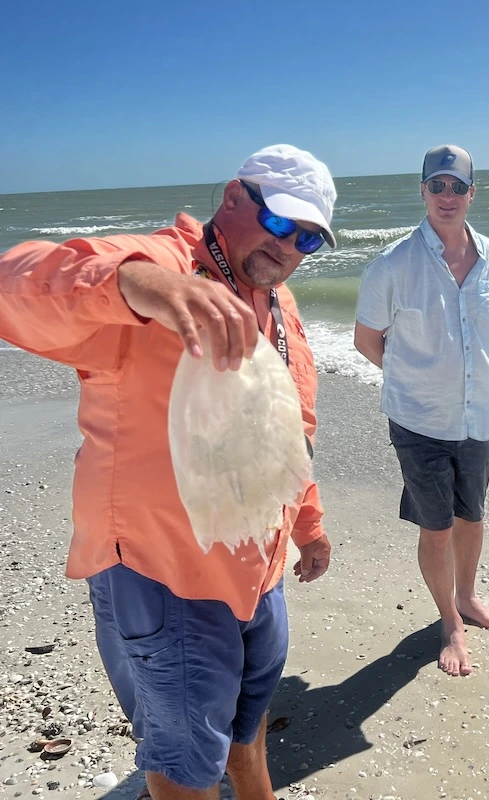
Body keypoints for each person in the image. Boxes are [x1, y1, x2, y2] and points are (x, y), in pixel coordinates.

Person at [0, 144, 337, 800]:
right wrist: (137, 286)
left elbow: (287, 435)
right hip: (165, 575)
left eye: (308, 239)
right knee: (185, 763)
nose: (289, 247)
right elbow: (15, 283)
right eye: (279, 223)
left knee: (246, 723)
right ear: (234, 197)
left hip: (257, 570)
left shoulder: (280, 304)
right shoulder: (160, 265)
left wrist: (311, 525)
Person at [354, 144, 489, 678]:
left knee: (472, 517)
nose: (447, 196)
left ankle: (467, 595)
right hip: (419, 421)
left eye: (457, 186)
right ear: (422, 190)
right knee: (438, 527)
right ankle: (450, 622)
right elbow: (366, 340)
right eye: (437, 186)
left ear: (473, 192)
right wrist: (413, 379)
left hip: (480, 416)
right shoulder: (392, 264)